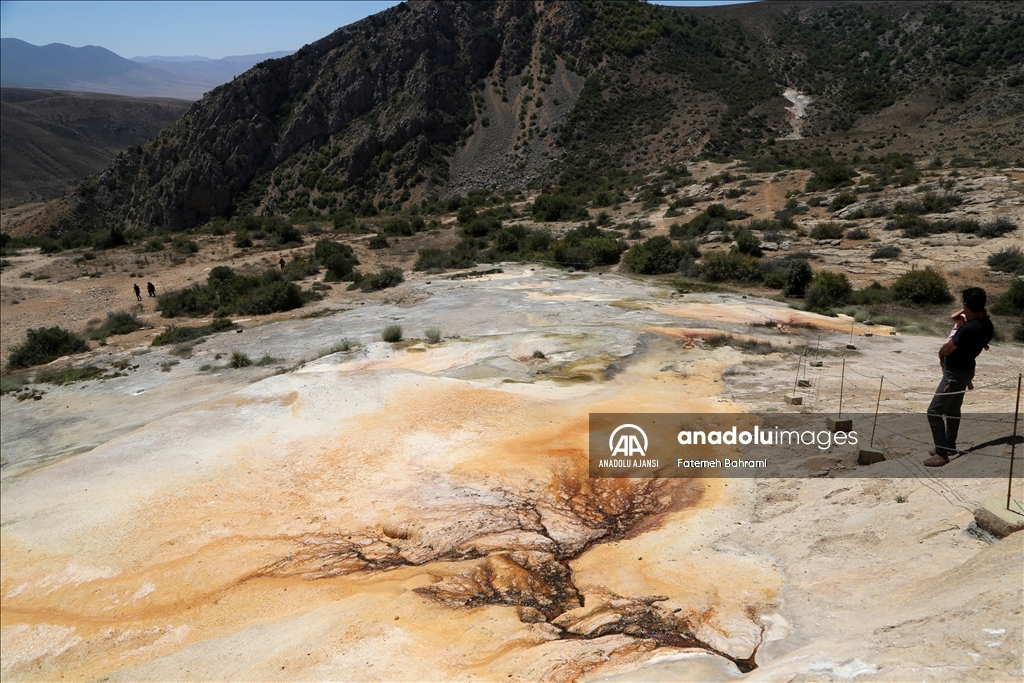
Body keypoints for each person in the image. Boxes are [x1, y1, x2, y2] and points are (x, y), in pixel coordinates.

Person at [923, 287, 994, 467]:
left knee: (934, 411)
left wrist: (941, 354)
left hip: (954, 374)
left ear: (965, 305)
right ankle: (949, 445)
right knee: (953, 409)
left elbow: (947, 348)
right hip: (966, 370)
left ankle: (941, 453)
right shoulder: (987, 325)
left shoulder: (968, 329)